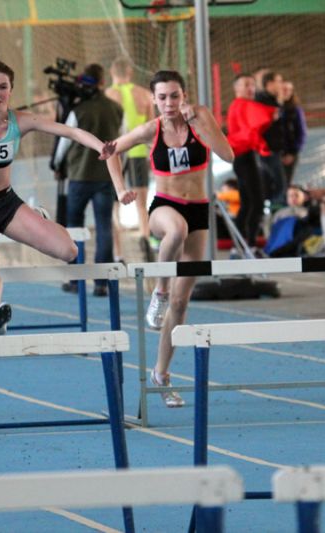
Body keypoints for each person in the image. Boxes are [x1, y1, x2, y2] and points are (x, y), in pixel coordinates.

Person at [0, 60, 135, 335]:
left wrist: (100, 146)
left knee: (70, 252)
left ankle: (38, 218)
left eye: (2, 87)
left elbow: (70, 131)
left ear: (11, 90)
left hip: (6, 204)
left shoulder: (21, 121)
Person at [107, 70, 233, 407]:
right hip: (164, 207)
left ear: (184, 95)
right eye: (162, 97)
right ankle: (160, 290)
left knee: (181, 303)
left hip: (198, 209)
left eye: (174, 96)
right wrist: (120, 189)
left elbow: (228, 155)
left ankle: (161, 374)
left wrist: (201, 125)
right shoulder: (151, 130)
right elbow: (110, 150)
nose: (169, 103)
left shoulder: (200, 117)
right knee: (176, 231)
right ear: (153, 99)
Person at [54, 63, 124, 297]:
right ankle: (102, 282)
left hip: (79, 176)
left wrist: (56, 164)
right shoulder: (116, 109)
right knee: (104, 226)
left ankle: (76, 279)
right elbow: (122, 140)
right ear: (103, 82)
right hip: (105, 177)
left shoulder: (78, 110)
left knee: (74, 226)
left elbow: (64, 142)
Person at [105, 56, 155, 258]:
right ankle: (145, 238)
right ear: (130, 72)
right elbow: (151, 126)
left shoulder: (107, 95)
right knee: (142, 203)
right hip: (139, 151)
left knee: (114, 206)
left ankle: (118, 254)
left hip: (115, 152)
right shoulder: (144, 94)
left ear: (111, 72)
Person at [226, 73, 276, 250]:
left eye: (253, 85)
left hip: (245, 156)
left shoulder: (243, 105)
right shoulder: (240, 105)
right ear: (236, 88)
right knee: (256, 202)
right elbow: (250, 130)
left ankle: (242, 243)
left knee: (249, 202)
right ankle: (249, 243)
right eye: (246, 85)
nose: (251, 89)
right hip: (244, 157)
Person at [256, 70, 286, 207]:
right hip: (267, 149)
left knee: (279, 183)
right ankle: (273, 210)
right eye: (279, 81)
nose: (281, 85)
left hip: (275, 149)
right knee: (275, 184)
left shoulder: (274, 101)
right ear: (269, 83)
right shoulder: (262, 101)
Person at [280, 80, 307, 187]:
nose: (286, 92)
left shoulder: (296, 110)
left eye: (289, 90)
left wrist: (292, 153)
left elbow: (301, 133)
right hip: (275, 154)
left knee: (285, 183)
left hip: (290, 153)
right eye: (284, 89)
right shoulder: (274, 108)